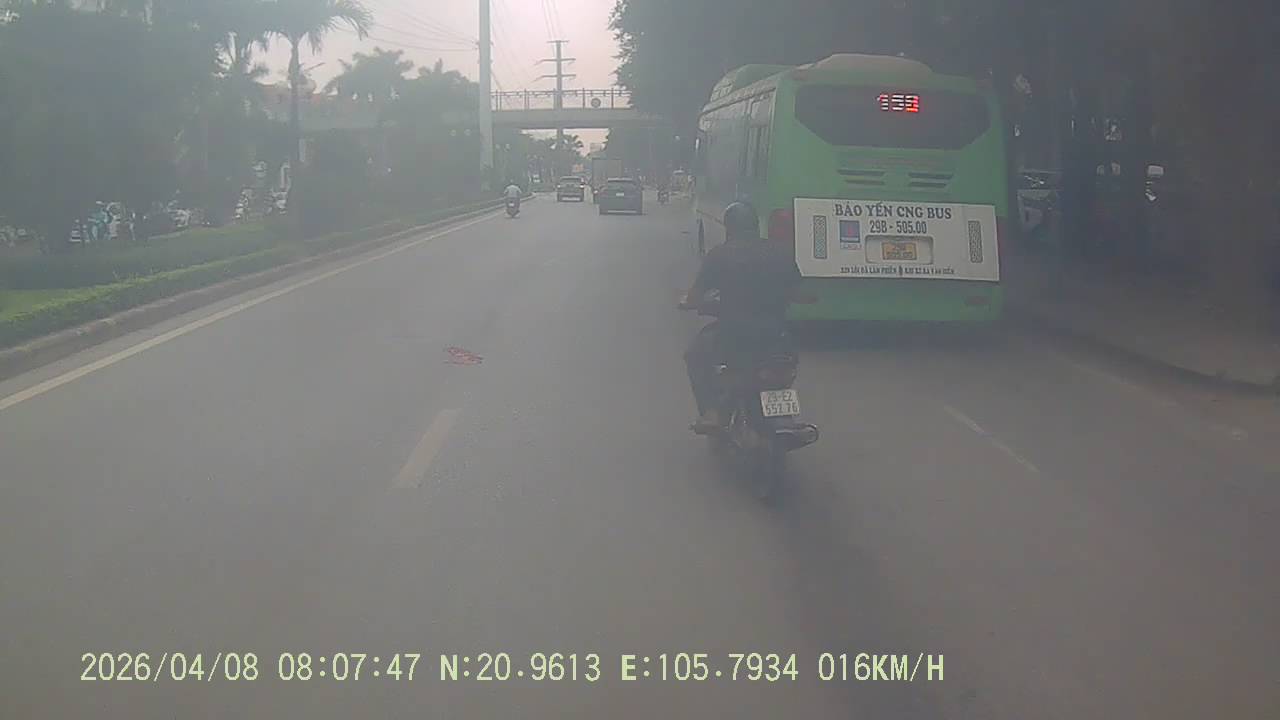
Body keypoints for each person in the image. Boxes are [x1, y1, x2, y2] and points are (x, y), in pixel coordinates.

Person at [680, 201, 802, 432]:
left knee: (695, 356)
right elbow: (803, 294)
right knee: (784, 367)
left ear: (729, 227)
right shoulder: (780, 253)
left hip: (733, 334)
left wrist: (690, 303)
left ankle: (713, 412)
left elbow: (694, 297)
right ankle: (782, 413)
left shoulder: (719, 255)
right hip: (776, 335)